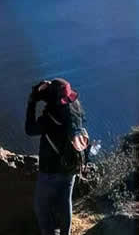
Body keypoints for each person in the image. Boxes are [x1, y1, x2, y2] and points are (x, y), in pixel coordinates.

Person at [25, 78, 86, 235]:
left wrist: (32, 101)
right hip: (72, 164)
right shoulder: (75, 106)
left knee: (41, 207)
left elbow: (30, 129)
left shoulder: (51, 116)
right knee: (65, 202)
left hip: (51, 169)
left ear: (51, 98)